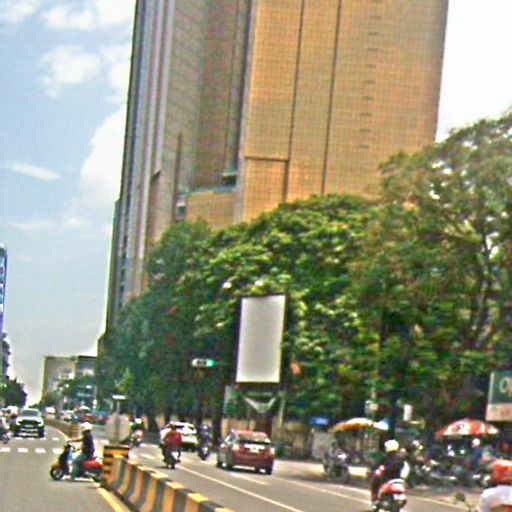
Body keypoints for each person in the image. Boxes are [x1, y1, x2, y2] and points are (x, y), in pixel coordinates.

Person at [370, 439, 409, 508]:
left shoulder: (385, 457)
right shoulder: (401, 458)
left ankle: (375, 500)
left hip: (387, 479)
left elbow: (376, 465)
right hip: (398, 479)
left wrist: (373, 470)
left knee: (375, 481)